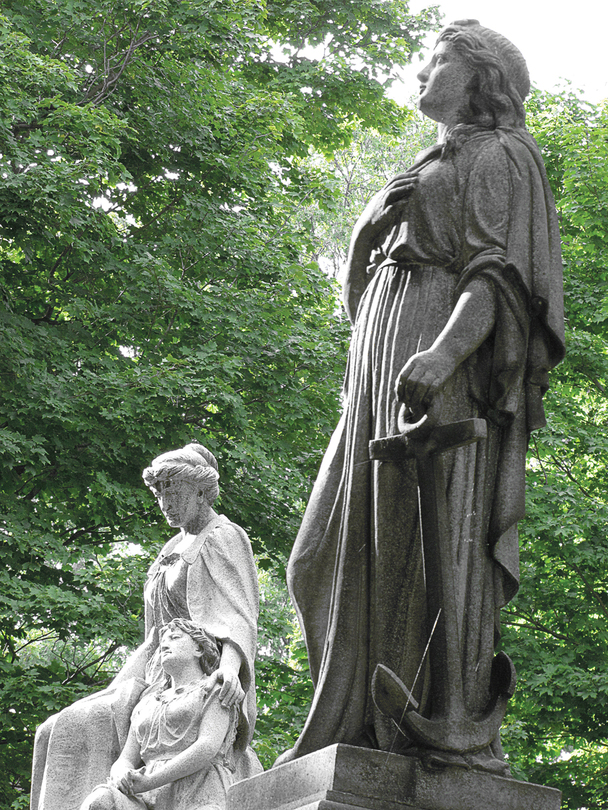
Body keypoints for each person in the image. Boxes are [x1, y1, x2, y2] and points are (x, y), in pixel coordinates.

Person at [278, 20, 564, 773]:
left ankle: (405, 727)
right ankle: (344, 722)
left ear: (481, 78)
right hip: (377, 366)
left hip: (433, 356)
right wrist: (366, 229)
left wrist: (443, 354)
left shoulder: (501, 154)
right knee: (317, 558)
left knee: (408, 539)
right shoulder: (430, 160)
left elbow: (498, 275)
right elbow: (358, 295)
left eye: (437, 60)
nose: (420, 72)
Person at [31, 444, 261, 810]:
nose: (166, 504)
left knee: (83, 722)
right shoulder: (171, 547)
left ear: (201, 492)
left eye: (175, 493)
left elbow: (238, 616)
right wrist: (116, 690)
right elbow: (154, 638)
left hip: (199, 670)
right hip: (157, 675)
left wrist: (230, 670)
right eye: (160, 495)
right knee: (55, 726)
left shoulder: (223, 536)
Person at [81, 619, 237, 810]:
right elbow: (126, 758)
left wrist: (151, 781)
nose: (165, 644)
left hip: (199, 789)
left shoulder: (213, 689)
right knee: (100, 801)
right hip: (146, 796)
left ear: (198, 649)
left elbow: (207, 746)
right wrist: (121, 773)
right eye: (163, 641)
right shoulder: (147, 703)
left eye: (175, 637)